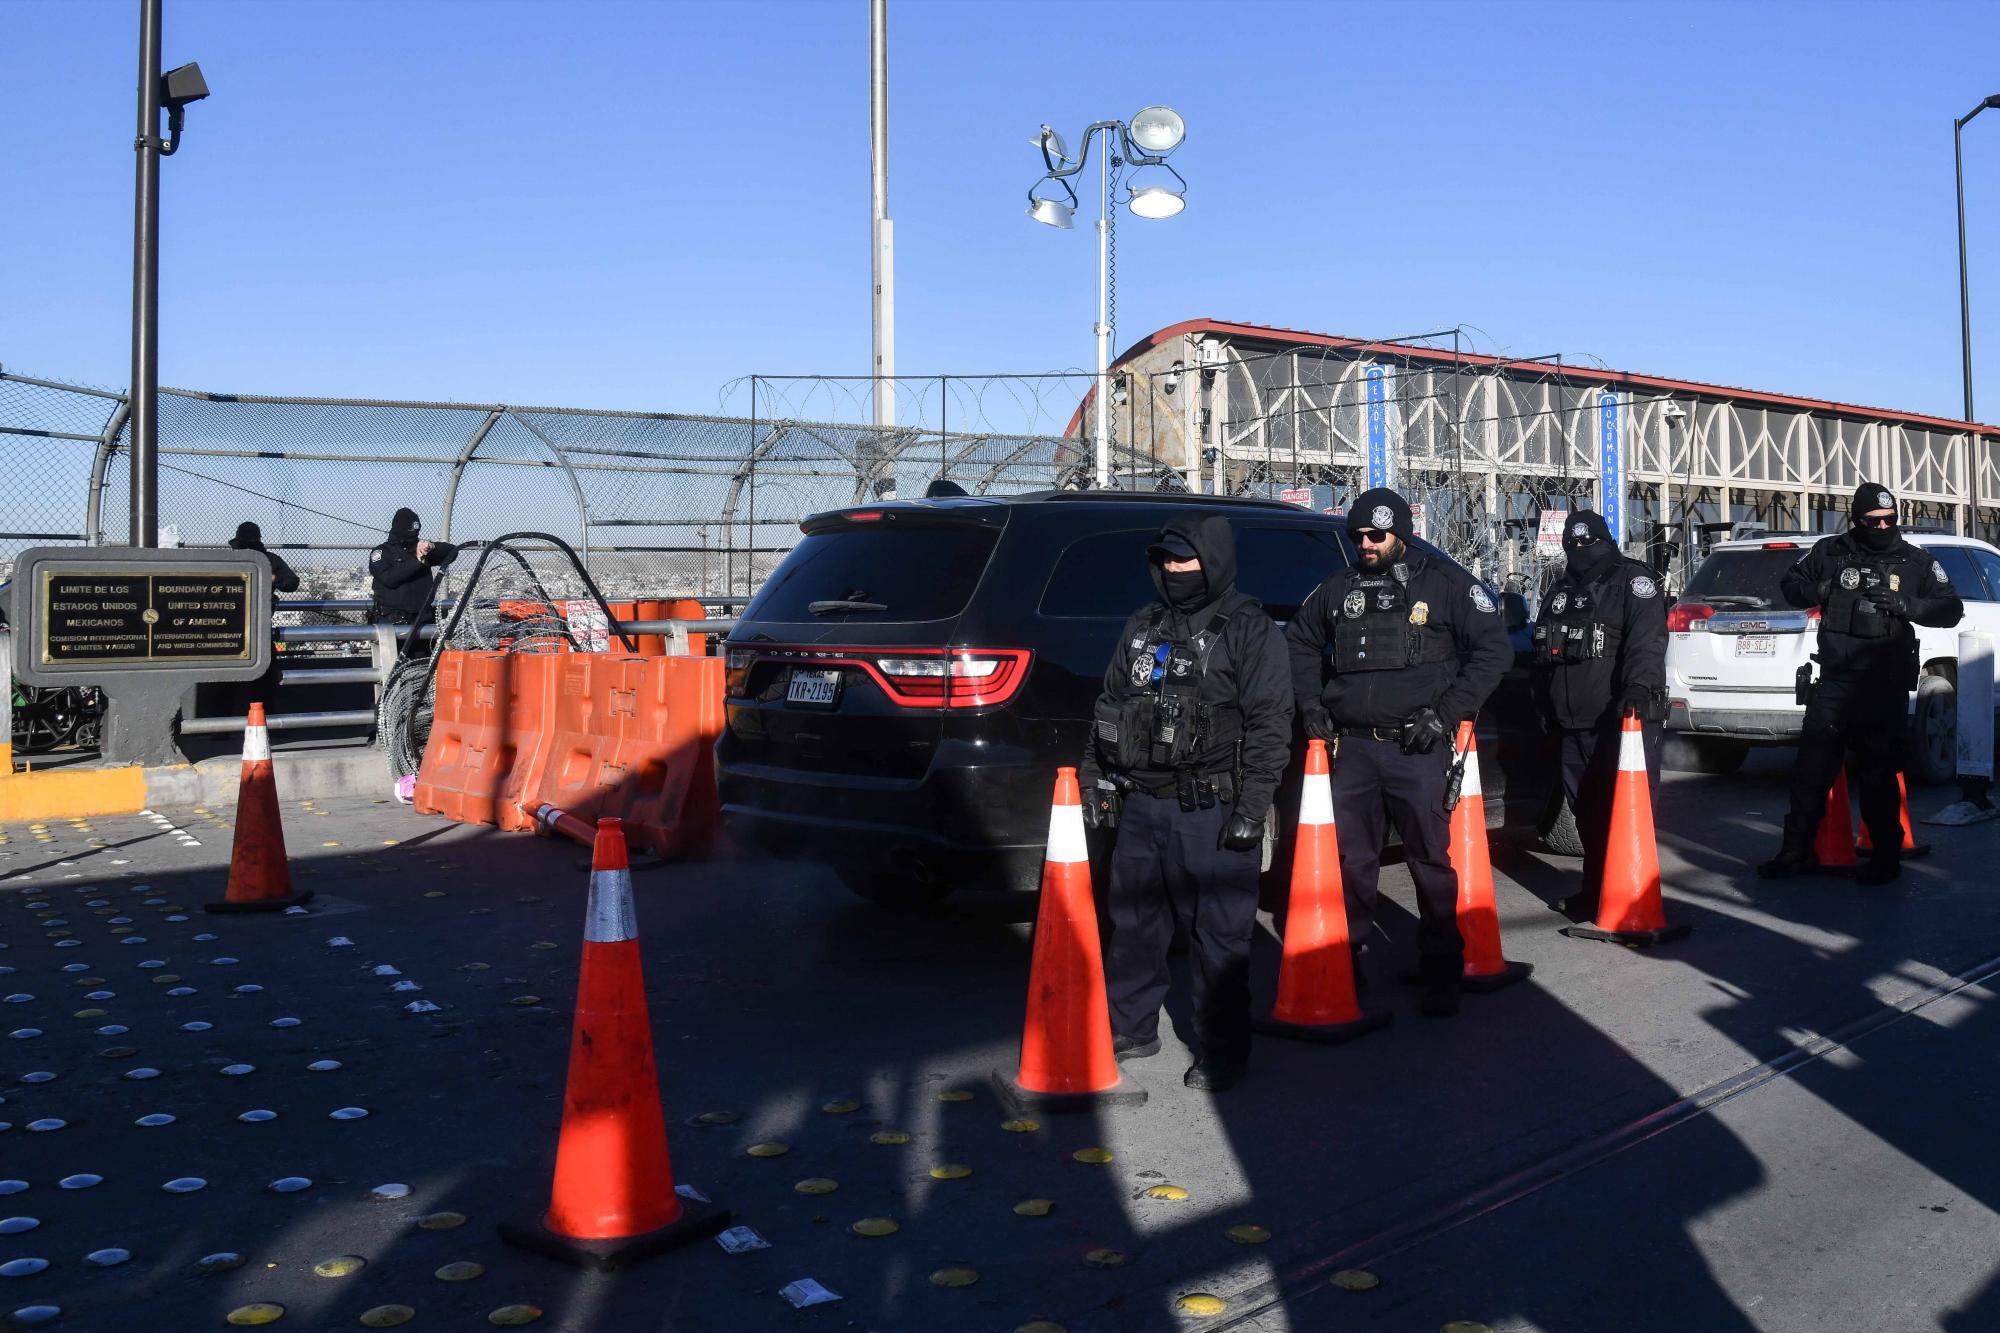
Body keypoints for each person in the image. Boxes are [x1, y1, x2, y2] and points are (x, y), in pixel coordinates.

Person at [1079, 515, 1293, 1093]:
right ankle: (1131, 1027)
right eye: (1167, 560)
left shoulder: (1249, 629)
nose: (1175, 570)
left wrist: (1253, 807)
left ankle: (1223, 1050)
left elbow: (1271, 723)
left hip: (1211, 808)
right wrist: (1094, 779)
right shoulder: (1143, 625)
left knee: (1218, 934)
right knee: (1134, 924)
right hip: (1140, 804)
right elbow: (1109, 704)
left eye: (1186, 559)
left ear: (1212, 561)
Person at [1285, 488, 1512, 1017]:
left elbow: (1494, 650)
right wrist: (1311, 704)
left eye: (1376, 535)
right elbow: (1299, 641)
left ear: (1401, 535)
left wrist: (1447, 713)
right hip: (1354, 749)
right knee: (1351, 863)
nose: (1365, 543)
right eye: (1358, 535)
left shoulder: (1445, 583)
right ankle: (1346, 963)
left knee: (1429, 861)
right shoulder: (1339, 588)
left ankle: (1442, 969)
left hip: (1417, 747)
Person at [1758, 482, 1962, 885]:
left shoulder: (1914, 561)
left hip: (1883, 684)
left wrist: (1908, 605)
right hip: (1835, 680)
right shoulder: (1831, 552)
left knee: (1878, 775)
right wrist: (1819, 590)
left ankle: (1885, 857)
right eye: (1874, 521)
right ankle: (1795, 852)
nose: (1883, 527)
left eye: (1890, 519)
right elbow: (1789, 586)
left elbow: (1950, 608)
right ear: (1857, 520)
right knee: (1811, 771)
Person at [1529, 510, 1669, 918]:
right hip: (1570, 724)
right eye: (1572, 545)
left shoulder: (1633, 581)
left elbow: (1647, 642)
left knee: (1624, 813)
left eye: (1588, 544)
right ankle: (1595, 893)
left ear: (1605, 542)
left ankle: (1632, 899)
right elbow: (1543, 651)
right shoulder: (1560, 589)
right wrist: (1543, 705)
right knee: (1587, 816)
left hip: (1619, 721)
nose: (1580, 551)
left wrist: (1638, 688)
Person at [367, 508, 458, 657]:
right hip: (392, 623)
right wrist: (417, 561)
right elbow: (389, 578)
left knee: (422, 666)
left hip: (422, 621)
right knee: (394, 666)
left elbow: (452, 552)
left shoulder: (421, 548)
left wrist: (431, 546)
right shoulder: (382, 552)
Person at [228, 521, 300, 709]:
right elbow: (291, 582)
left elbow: (292, 582)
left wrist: (272, 577)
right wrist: (271, 577)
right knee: (265, 678)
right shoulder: (269, 560)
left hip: (231, 626)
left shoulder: (230, 559)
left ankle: (223, 720)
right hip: (259, 627)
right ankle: (265, 715)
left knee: (228, 680)